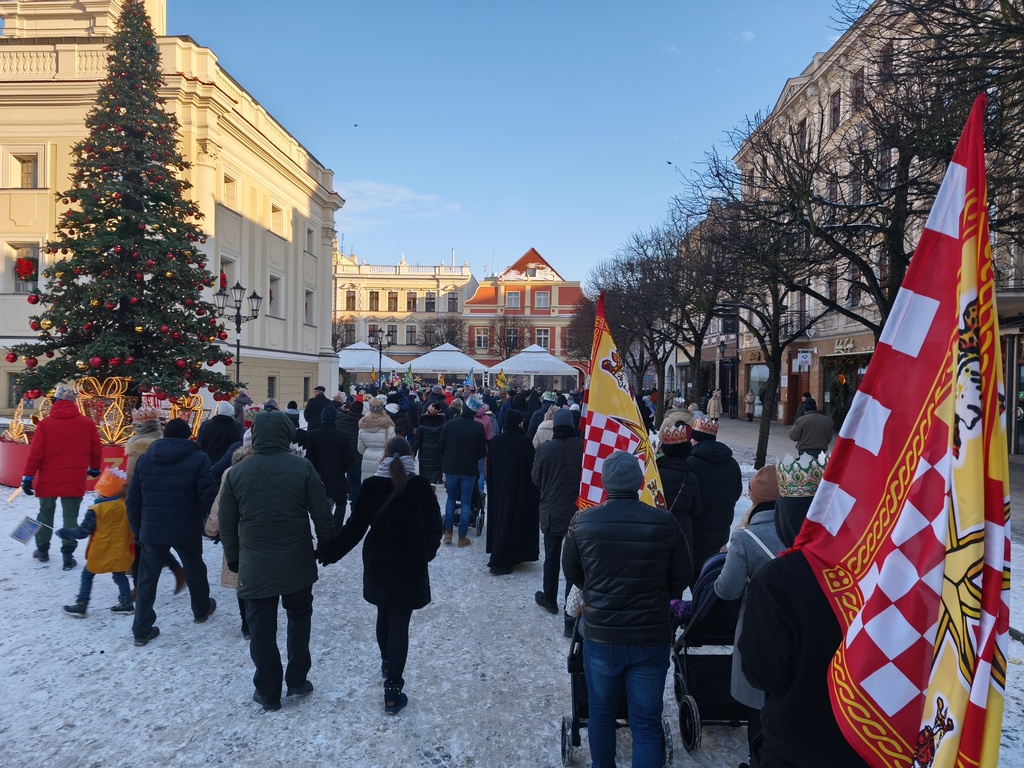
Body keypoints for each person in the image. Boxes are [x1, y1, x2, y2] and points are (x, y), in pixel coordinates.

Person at [562, 451, 692, 768]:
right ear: (638, 483)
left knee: (602, 714)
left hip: (602, 636)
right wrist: (663, 595)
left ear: (606, 484)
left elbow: (573, 573)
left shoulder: (582, 521)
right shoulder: (665, 521)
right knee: (646, 723)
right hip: (650, 635)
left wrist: (597, 591)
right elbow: (684, 573)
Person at [218, 411, 334, 712]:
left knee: (261, 627)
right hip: (296, 557)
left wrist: (233, 558)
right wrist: (325, 546)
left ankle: (268, 691)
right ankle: (297, 679)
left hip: (254, 561)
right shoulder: (302, 467)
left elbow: (227, 524)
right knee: (299, 617)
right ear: (286, 435)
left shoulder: (237, 473)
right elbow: (321, 513)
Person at [317, 437, 442, 714]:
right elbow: (435, 526)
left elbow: (354, 528)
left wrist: (330, 552)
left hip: (379, 561)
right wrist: (426, 553)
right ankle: (393, 690)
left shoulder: (372, 485)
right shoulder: (420, 486)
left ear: (385, 457)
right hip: (410, 562)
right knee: (400, 621)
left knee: (384, 614)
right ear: (411, 457)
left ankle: (388, 663)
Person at [738, 548, 868, 766]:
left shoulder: (782, 576)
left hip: (796, 742)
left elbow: (763, 673)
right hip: (873, 743)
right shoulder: (898, 568)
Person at [713, 465, 783, 766]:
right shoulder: (807, 532)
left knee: (758, 704)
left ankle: (758, 760)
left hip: (758, 629)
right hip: (800, 631)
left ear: (754, 499)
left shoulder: (745, 539)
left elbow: (726, 591)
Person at [126, 418, 218, 647]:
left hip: (152, 528)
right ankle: (201, 609)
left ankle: (141, 629)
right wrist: (213, 525)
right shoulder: (199, 458)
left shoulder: (146, 459)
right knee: (195, 567)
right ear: (189, 436)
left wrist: (138, 531)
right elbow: (208, 497)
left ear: (164, 435)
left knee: (148, 579)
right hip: (187, 527)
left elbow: (133, 499)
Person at [22, 385, 103, 570]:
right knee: (71, 515)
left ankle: (42, 550)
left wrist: (28, 476)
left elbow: (36, 453)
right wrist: (95, 469)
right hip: (75, 477)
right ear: (74, 403)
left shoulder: (45, 424)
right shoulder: (86, 423)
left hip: (48, 477)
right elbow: (96, 449)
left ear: (56, 402)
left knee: (45, 513)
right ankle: (68, 555)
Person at [531, 408, 583, 634]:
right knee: (575, 560)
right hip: (578, 511)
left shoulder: (545, 448)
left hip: (551, 509)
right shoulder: (583, 447)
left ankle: (549, 598)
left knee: (551, 556)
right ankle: (570, 604)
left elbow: (536, 479)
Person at [57, 468, 135, 618]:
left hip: (100, 551)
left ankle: (81, 605)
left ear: (102, 492)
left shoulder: (95, 510)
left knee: (87, 575)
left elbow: (82, 532)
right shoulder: (125, 507)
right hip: (121, 550)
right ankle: (127, 603)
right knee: (119, 576)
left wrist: (65, 533)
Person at [125, 407, 186, 594]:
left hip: (143, 504)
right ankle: (176, 570)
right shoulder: (162, 444)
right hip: (164, 502)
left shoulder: (137, 449)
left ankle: (140, 586)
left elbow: (131, 482)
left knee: (141, 544)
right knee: (152, 544)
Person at [206, 437, 253, 640]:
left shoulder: (231, 472)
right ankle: (260, 621)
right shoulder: (272, 468)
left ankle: (246, 625)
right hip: (263, 533)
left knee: (240, 579)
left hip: (237, 534)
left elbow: (221, 505)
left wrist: (210, 529)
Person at [686, 416, 742, 584]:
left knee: (694, 576)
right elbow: (737, 492)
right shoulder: (732, 463)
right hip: (721, 529)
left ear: (694, 440)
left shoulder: (690, 463)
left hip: (695, 531)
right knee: (710, 576)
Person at [484, 409, 539, 574]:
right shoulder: (524, 442)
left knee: (501, 519)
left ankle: (502, 553)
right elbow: (531, 468)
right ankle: (503, 557)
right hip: (519, 488)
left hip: (499, 489)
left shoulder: (496, 442)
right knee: (514, 520)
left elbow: (491, 468)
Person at [438, 395, 487, 547]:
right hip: (468, 470)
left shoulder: (450, 424)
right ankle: (462, 537)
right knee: (466, 502)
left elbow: (441, 446)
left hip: (451, 468)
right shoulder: (478, 427)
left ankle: (447, 533)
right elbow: (482, 451)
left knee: (451, 499)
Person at [655, 419, 702, 559]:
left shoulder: (655, 475)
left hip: (656, 528)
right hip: (683, 529)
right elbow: (697, 510)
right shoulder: (692, 478)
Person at [305, 405, 356, 531]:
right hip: (338, 477)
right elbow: (350, 458)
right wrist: (342, 469)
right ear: (335, 418)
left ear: (322, 418)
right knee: (341, 504)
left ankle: (323, 530)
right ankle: (337, 529)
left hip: (319, 478)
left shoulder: (312, 435)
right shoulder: (342, 435)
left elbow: (308, 458)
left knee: (321, 506)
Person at [358, 398, 396, 481]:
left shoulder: (363, 426)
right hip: (384, 459)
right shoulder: (389, 426)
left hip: (367, 459)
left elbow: (360, 449)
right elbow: (393, 447)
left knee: (368, 487)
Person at [196, 400, 243, 466]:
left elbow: (200, 445)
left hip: (208, 462)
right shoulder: (235, 426)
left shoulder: (205, 425)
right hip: (228, 463)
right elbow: (238, 445)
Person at [337, 399, 364, 504]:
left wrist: (341, 409)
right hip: (357, 455)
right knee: (356, 480)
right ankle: (354, 499)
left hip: (342, 454)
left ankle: (345, 492)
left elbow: (335, 413)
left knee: (343, 476)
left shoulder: (340, 418)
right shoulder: (363, 421)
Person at [412, 400, 445, 484]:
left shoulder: (422, 424)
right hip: (438, 451)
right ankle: (436, 480)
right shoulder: (443, 424)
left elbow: (417, 440)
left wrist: (413, 452)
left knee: (425, 473)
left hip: (425, 452)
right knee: (436, 468)